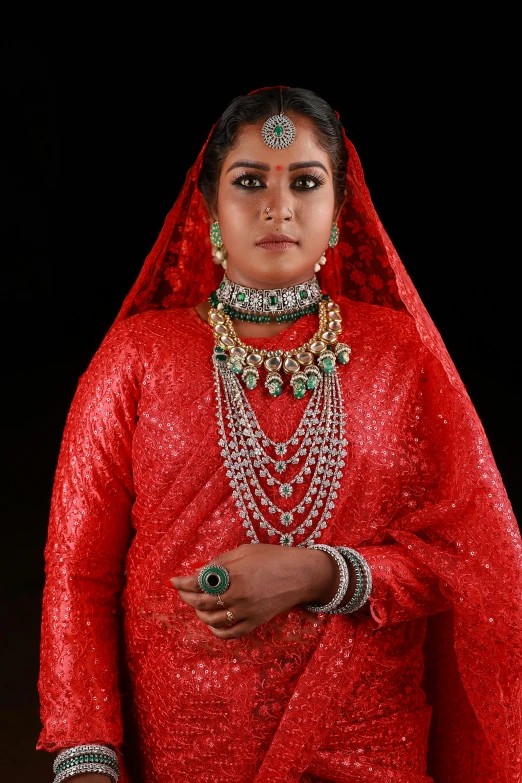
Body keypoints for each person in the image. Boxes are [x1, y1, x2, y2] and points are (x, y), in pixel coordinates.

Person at [36, 87, 521, 783]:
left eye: (304, 181)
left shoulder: (400, 354)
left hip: (365, 735)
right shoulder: (136, 358)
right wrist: (87, 757)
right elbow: (79, 576)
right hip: (183, 750)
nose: (278, 205)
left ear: (340, 205)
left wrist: (318, 572)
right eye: (250, 181)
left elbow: (472, 558)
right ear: (208, 205)